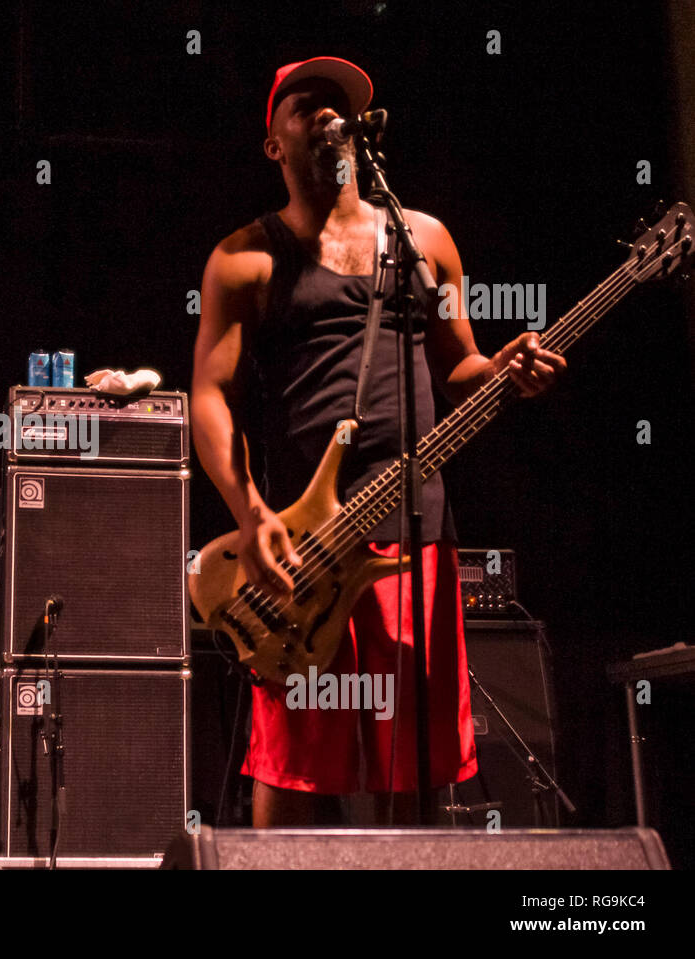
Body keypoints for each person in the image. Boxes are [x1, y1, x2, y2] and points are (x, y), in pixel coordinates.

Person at [190, 56, 566, 826]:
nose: (331, 113)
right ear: (274, 144)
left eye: (343, 104)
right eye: (309, 104)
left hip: (413, 539)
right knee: (296, 765)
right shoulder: (244, 258)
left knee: (416, 767)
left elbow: (459, 364)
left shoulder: (427, 240)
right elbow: (209, 396)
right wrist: (253, 512)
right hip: (305, 548)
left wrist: (502, 370)